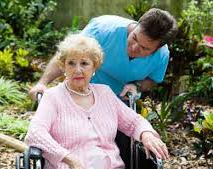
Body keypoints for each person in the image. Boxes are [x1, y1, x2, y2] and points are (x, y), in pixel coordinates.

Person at [25, 34, 169, 169]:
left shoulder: (105, 93)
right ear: (63, 66)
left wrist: (146, 133)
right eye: (71, 63)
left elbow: (134, 121)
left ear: (94, 66)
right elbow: (35, 133)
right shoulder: (53, 97)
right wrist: (69, 158)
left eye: (84, 63)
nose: (77, 70)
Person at [29, 8, 178, 101]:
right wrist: (43, 83)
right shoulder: (103, 29)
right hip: (79, 93)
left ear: (158, 48)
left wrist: (136, 85)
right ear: (137, 25)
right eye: (134, 38)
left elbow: (152, 79)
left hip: (117, 103)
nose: (134, 47)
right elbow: (68, 55)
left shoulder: (162, 56)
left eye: (144, 48)